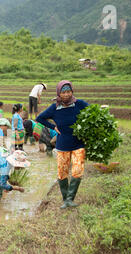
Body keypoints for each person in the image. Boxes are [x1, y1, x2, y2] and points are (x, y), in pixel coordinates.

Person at [36, 80, 89, 209]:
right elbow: (40, 118)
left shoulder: (79, 104)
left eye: (69, 91)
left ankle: (70, 199)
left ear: (72, 92)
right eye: (64, 92)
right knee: (62, 173)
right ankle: (65, 200)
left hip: (78, 143)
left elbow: (91, 113)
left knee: (77, 171)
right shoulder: (54, 108)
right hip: (63, 145)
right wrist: (53, 127)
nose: (66, 94)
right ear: (59, 93)